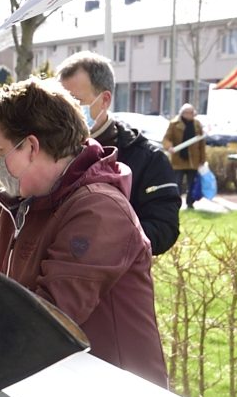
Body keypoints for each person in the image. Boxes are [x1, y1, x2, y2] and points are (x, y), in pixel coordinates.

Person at [0, 77, 167, 385]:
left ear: (31, 146)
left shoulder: (99, 210)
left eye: (0, 150)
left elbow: (47, 320)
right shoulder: (18, 205)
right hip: (53, 390)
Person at [56, 52, 180, 255]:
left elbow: (163, 228)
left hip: (115, 280)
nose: (64, 114)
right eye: (59, 104)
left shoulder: (147, 159)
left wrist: (101, 243)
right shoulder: (48, 151)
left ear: (104, 100)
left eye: (75, 103)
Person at [162, 104, 207, 211]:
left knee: (192, 183)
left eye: (192, 113)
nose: (191, 115)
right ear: (183, 113)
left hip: (193, 159)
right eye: (188, 113)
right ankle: (176, 203)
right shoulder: (174, 124)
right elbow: (166, 139)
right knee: (177, 183)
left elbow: (201, 143)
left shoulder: (197, 124)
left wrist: (202, 159)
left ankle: (190, 203)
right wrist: (169, 147)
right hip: (179, 159)